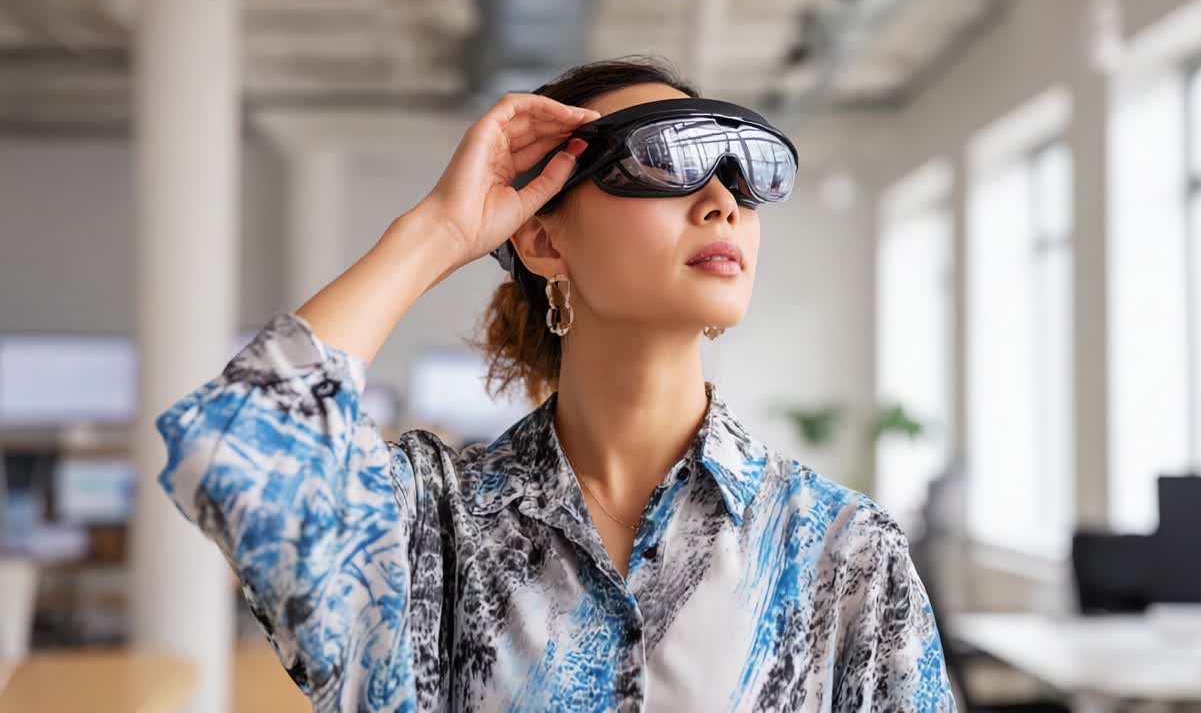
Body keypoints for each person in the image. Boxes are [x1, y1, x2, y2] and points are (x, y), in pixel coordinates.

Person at [155, 57, 955, 712]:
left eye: (744, 181)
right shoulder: (433, 531)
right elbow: (235, 450)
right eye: (665, 160)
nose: (721, 203)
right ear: (541, 238)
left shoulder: (840, 552)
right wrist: (440, 231)